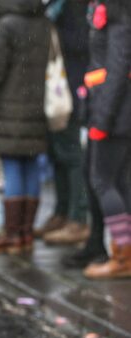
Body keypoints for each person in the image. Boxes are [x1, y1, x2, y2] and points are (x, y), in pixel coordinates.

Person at [0, 0, 51, 254]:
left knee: (13, 166)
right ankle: (26, 232)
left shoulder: (7, 25)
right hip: (39, 107)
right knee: (31, 167)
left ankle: (13, 233)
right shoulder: (44, 23)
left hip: (8, 109)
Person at [34, 0, 91, 247]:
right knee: (57, 152)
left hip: (70, 87)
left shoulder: (74, 6)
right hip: (56, 86)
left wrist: (51, 30)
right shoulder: (57, 6)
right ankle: (62, 211)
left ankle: (77, 218)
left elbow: (81, 42)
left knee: (70, 154)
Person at [82, 0, 131, 279]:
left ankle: (123, 256)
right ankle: (124, 254)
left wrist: (103, 118)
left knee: (103, 180)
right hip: (115, 111)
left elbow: (117, 67)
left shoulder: (118, 11)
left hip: (113, 114)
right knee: (120, 182)